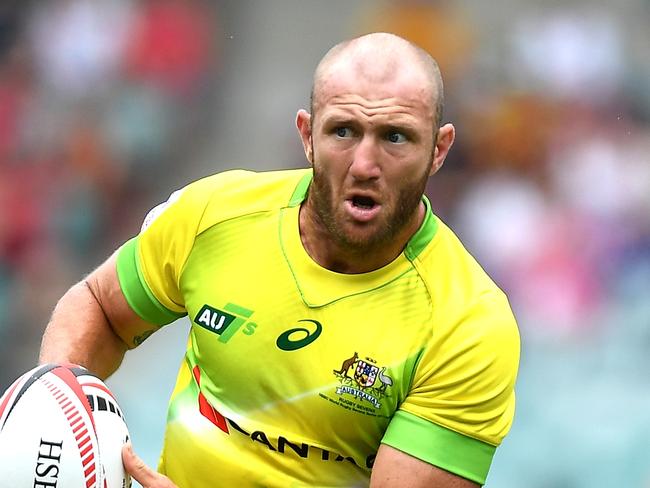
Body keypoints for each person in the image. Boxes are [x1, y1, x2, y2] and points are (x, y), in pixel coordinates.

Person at [39, 32, 520, 487]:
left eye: (395, 137)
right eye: (344, 131)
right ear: (307, 135)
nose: (365, 165)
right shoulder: (215, 215)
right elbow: (101, 307)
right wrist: (55, 411)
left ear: (439, 149)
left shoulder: (469, 324)